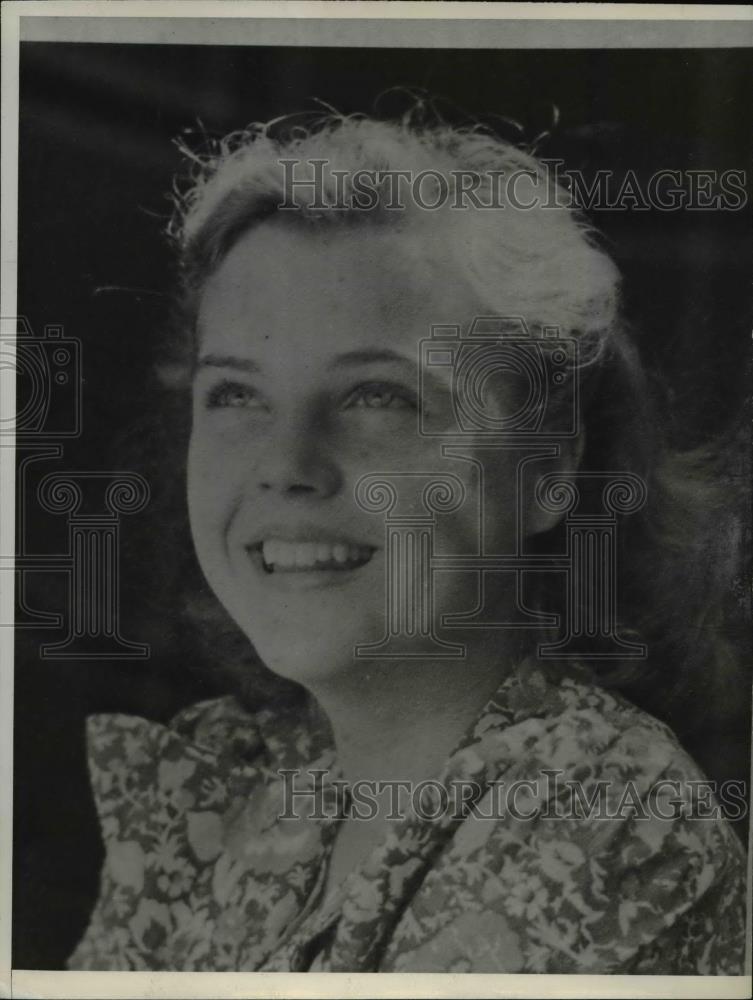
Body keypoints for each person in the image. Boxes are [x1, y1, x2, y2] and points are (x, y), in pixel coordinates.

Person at [67, 110, 747, 973]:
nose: (287, 467)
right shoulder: (233, 783)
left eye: (377, 397)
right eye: (236, 396)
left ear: (546, 469)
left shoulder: (608, 820)